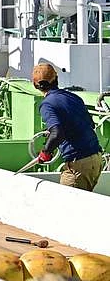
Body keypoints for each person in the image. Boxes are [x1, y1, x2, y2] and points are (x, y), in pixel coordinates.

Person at [32, 63, 104, 191]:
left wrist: (45, 152)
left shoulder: (47, 104)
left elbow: (57, 133)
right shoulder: (74, 97)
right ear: (56, 79)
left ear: (36, 85)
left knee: (66, 208)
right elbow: (89, 124)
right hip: (96, 159)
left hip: (78, 165)